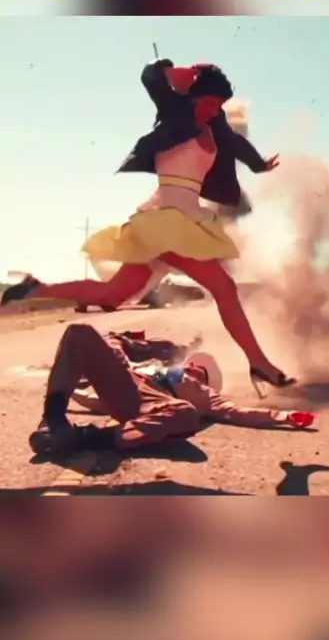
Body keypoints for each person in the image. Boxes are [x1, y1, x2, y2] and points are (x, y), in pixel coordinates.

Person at [2, 58, 294, 393]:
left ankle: (35, 289)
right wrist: (168, 70)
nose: (213, 110)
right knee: (224, 287)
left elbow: (235, 143)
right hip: (166, 220)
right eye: (209, 102)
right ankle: (259, 363)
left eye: (219, 105)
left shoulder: (215, 127)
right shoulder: (175, 111)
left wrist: (258, 165)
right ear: (192, 95)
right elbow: (150, 77)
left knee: (114, 294)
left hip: (180, 218)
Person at [29, 324, 315, 456]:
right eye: (193, 364)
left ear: (206, 379)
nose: (194, 368)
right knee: (81, 332)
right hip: (127, 385)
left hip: (152, 407)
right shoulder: (154, 368)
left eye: (201, 370)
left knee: (185, 414)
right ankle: (52, 422)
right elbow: (98, 400)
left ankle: (84, 439)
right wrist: (69, 391)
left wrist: (283, 417)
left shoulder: (204, 394)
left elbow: (238, 412)